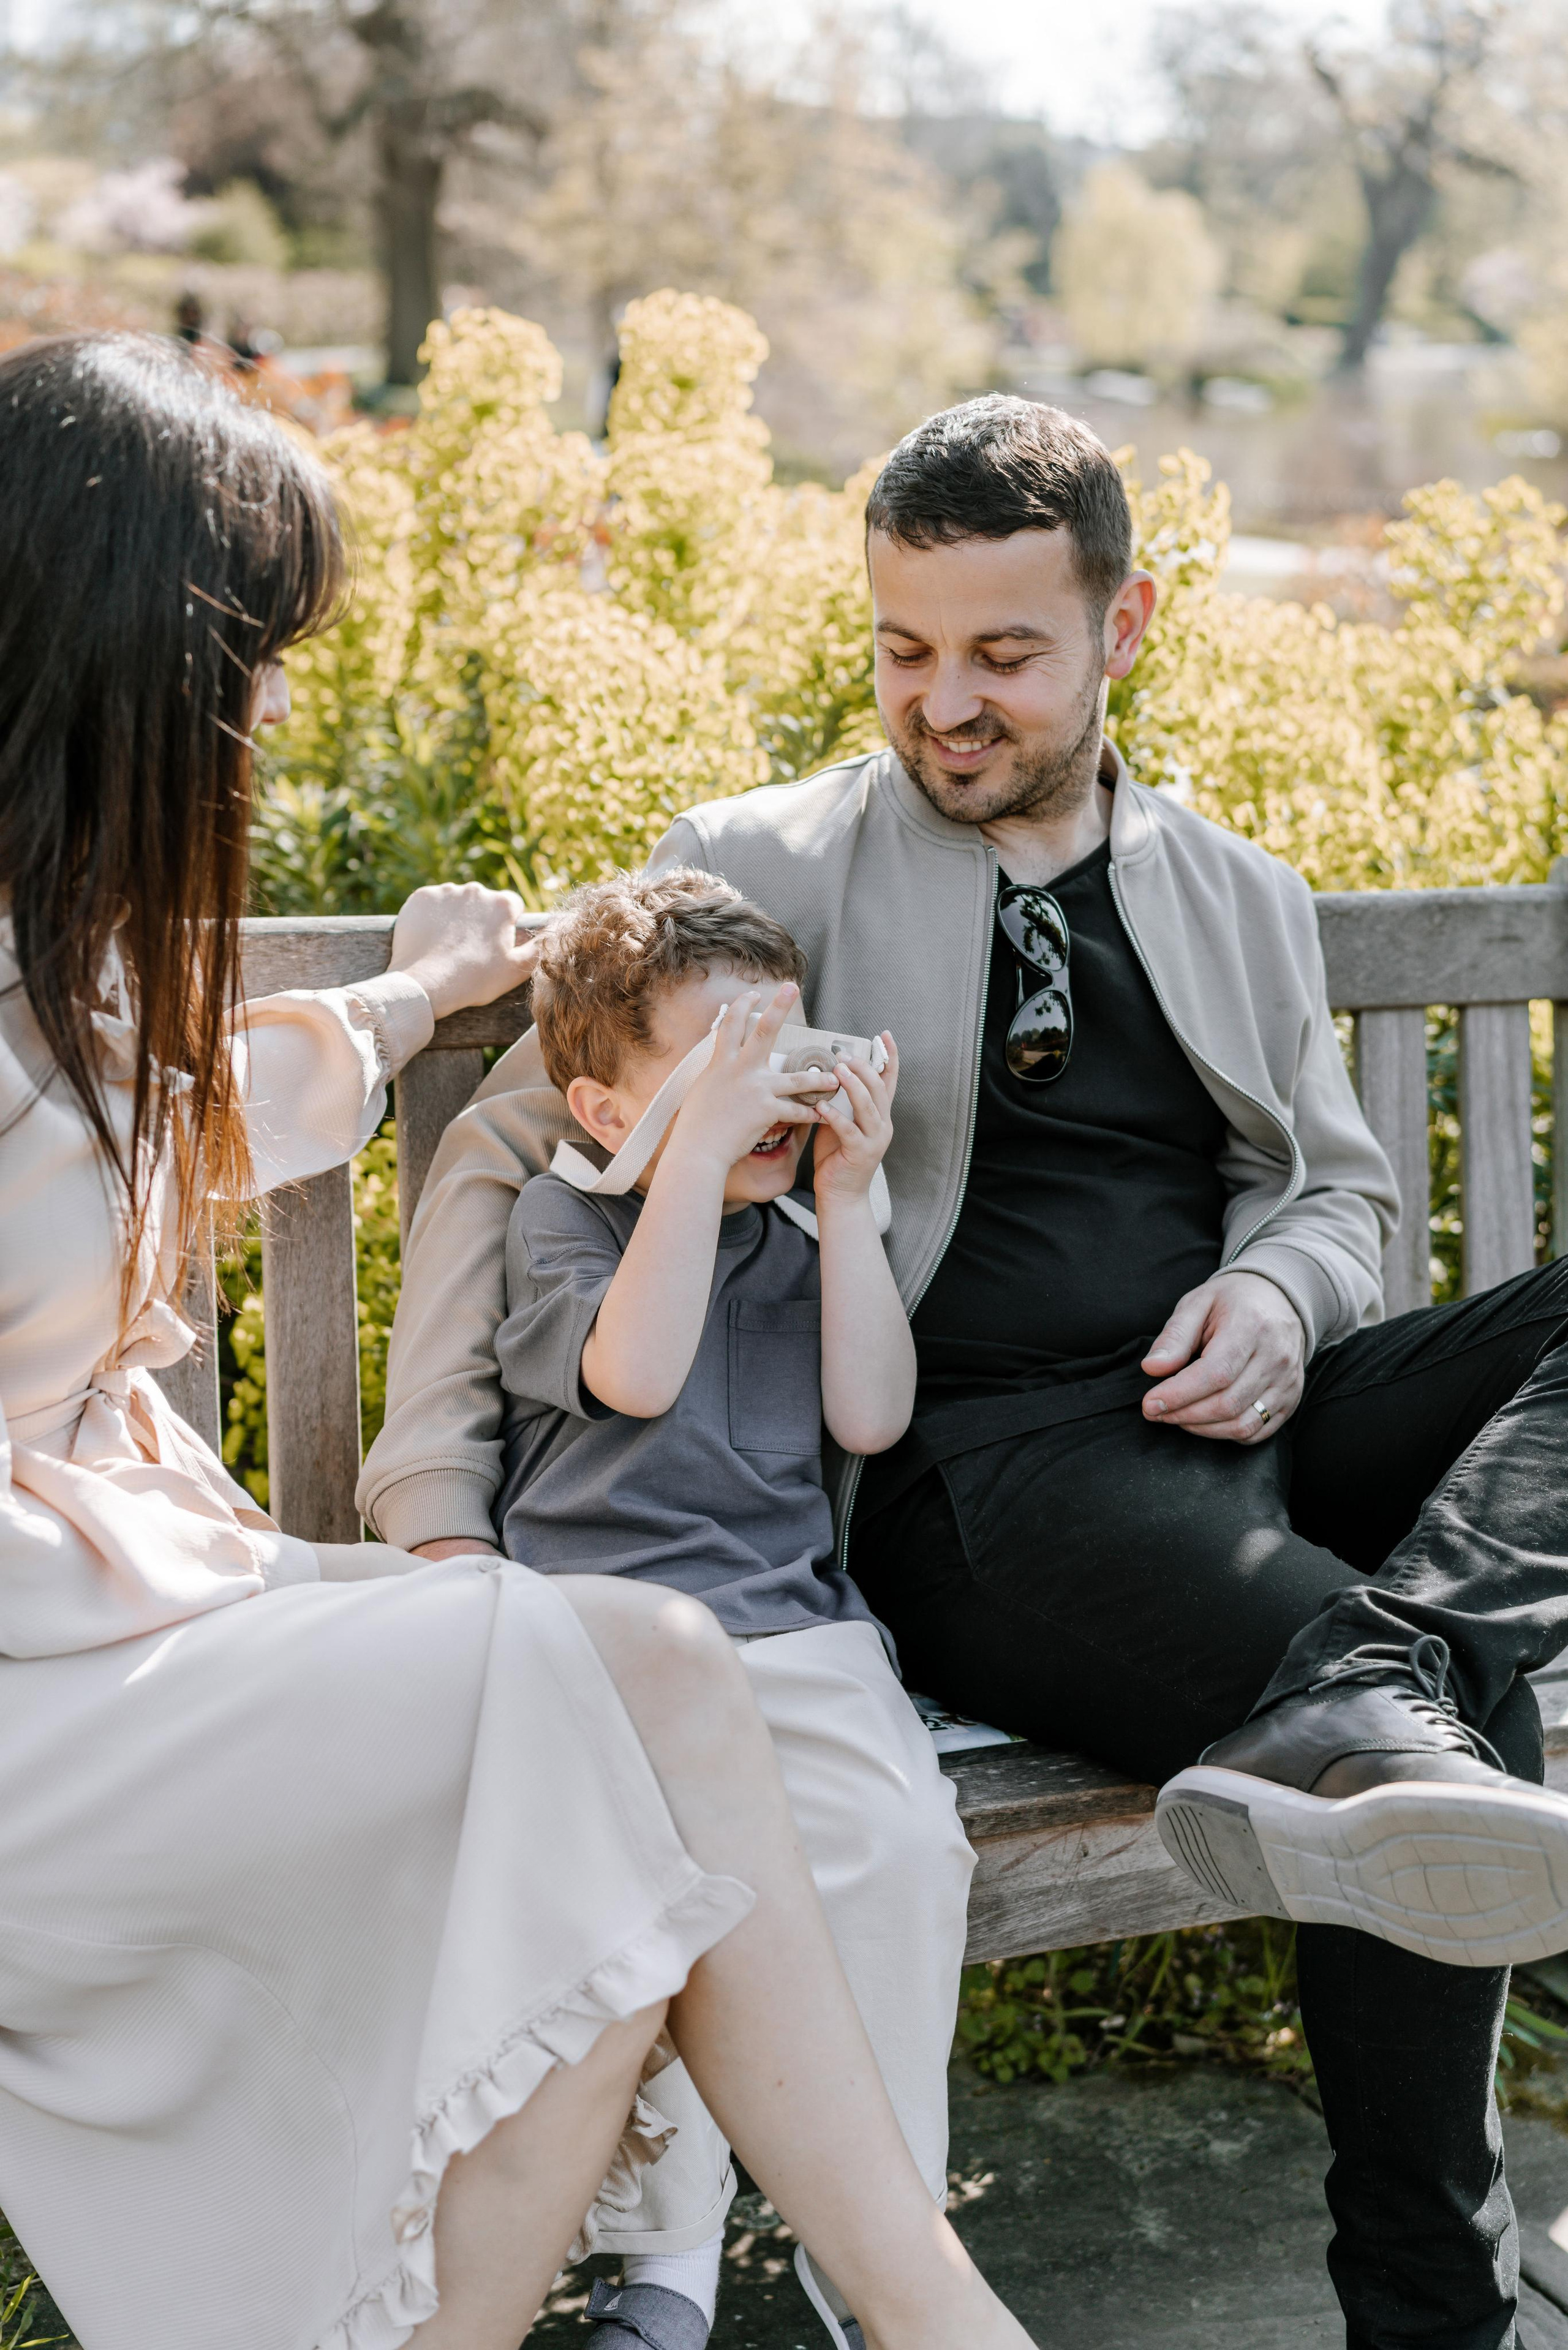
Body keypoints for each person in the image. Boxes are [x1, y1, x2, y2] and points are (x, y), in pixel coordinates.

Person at [362, 393, 1568, 2350]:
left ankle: (1382, 1673)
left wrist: (1277, 1297)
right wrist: (432, 1503)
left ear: (1128, 621)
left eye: (1005, 654)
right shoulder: (765, 862)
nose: (947, 704)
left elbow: (1338, 1196)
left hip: (1228, 1421)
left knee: (1413, 1670)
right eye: (904, 651)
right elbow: (520, 1144)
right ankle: (1437, 2304)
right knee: (1446, 1735)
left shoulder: (1235, 889)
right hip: (974, 1469)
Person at [0, 331, 1038, 2350]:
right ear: (118, 645)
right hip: (45, 1692)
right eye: (251, 652)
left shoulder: (68, 936)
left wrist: (416, 998)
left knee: (613, 1739)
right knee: (622, 1685)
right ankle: (939, 2319)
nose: (277, 704)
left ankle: (905, 2316)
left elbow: (182, 1116)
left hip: (125, 1615)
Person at [497, 868, 972, 2349]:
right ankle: (668, 2259)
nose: (761, 1102)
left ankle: (881, 2243)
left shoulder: (799, 1233)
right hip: (608, 1652)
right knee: (654, 1907)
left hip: (792, 1630)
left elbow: (871, 1415)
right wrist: (692, 1164)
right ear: (602, 1109)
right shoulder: (562, 1224)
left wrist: (843, 1197)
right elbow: (632, 1372)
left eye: (780, 1057)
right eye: (722, 1072)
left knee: (903, 1850)